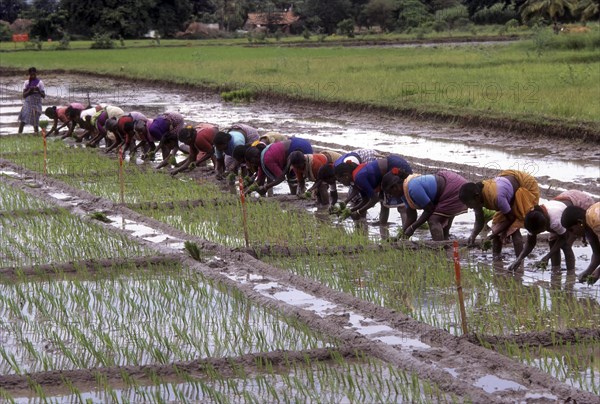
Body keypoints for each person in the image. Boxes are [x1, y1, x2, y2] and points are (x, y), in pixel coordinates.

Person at [459, 169, 540, 261]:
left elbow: (511, 218)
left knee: (514, 229)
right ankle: (496, 258)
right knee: (497, 226)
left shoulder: (497, 197)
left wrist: (494, 234)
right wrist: (473, 235)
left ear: (477, 196)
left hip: (524, 186)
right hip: (507, 194)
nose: (468, 207)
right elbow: (479, 220)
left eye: (468, 203)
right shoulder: (477, 199)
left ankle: (519, 261)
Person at [507, 190, 595, 272]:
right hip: (564, 200)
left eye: (539, 232)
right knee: (552, 241)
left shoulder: (555, 220)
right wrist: (518, 260)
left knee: (566, 245)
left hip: (579, 202)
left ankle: (571, 274)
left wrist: (547, 257)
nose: (537, 234)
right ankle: (555, 271)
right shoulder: (532, 221)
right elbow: (530, 243)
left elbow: (564, 238)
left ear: (546, 226)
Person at [381, 170, 468, 241]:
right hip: (445, 191)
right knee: (440, 218)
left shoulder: (413, 188)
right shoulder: (404, 192)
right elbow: (411, 216)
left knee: (433, 220)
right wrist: (399, 237)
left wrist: (412, 228)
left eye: (390, 193)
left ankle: (438, 250)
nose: (391, 196)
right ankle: (445, 245)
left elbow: (429, 209)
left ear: (395, 187)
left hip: (453, 189)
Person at [334, 155, 412, 224]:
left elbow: (374, 199)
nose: (341, 183)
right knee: (383, 201)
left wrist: (358, 212)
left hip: (395, 166)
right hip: (388, 168)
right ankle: (383, 224)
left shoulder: (359, 178)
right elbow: (365, 200)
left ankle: (405, 234)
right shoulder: (356, 179)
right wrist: (350, 211)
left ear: (346, 176)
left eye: (340, 180)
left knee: (402, 206)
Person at [245, 137, 313, 195]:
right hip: (298, 142)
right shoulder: (262, 160)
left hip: (298, 147)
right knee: (293, 175)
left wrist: (266, 187)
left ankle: (296, 196)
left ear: (254, 159)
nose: (253, 165)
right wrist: (246, 192)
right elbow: (259, 181)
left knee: (292, 176)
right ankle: (298, 194)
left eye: (251, 162)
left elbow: (281, 177)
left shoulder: (267, 159)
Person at [561, 202, 600, 284]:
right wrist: (588, 271)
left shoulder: (596, 222)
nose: (572, 234)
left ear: (579, 223)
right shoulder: (588, 223)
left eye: (571, 230)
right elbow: (597, 254)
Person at [18, 67, 45, 134]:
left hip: (36, 103)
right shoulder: (26, 83)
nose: (33, 76)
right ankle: (19, 134)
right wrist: (30, 91)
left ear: (36, 74)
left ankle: (36, 134)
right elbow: (24, 95)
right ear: (29, 74)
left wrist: (38, 91)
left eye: (34, 74)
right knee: (23, 119)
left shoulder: (40, 83)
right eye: (31, 74)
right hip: (28, 103)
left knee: (35, 120)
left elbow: (43, 95)